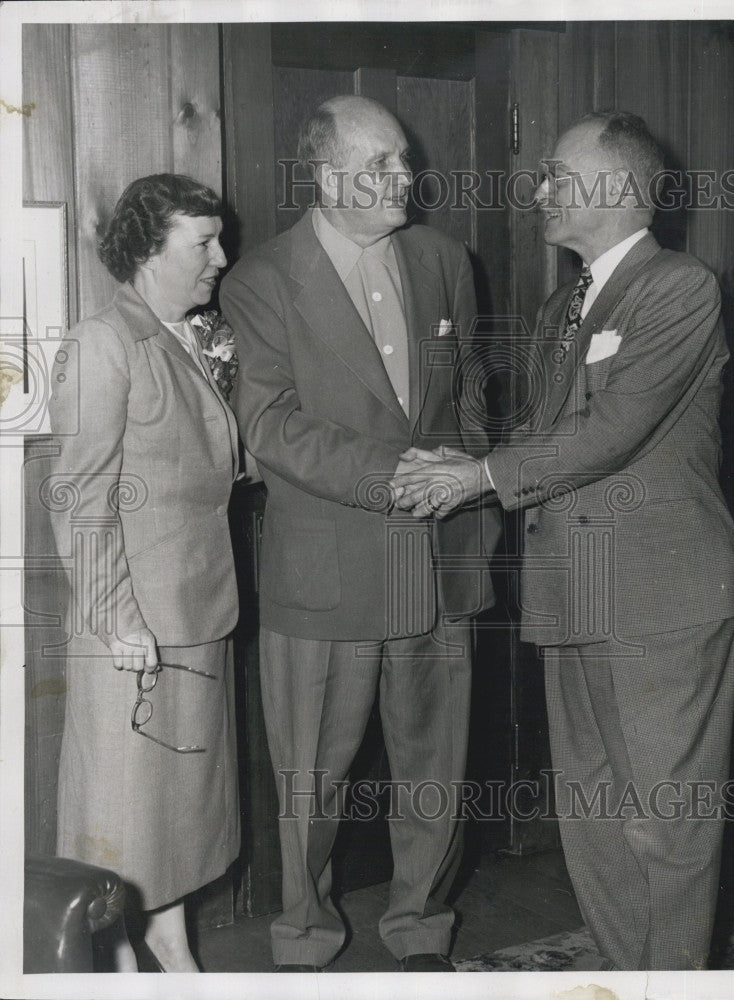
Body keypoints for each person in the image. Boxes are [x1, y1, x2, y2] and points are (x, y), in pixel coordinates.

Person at [392, 111, 734, 971]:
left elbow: (610, 430)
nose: (538, 189)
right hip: (568, 589)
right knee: (590, 814)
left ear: (619, 190)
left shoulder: (678, 287)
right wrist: (466, 458)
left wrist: (478, 479)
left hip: (658, 596)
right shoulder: (563, 304)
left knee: (663, 821)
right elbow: (547, 436)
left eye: (556, 174)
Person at [220, 95, 499, 973]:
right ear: (327, 176)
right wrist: (396, 477)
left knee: (436, 771)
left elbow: (470, 396)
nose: (404, 178)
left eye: (404, 159)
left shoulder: (447, 259)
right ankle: (303, 941)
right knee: (311, 782)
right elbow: (270, 425)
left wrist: (471, 482)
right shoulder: (261, 279)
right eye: (380, 165)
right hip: (326, 574)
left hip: (440, 561)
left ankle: (420, 932)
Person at [47, 174, 240, 972]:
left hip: (193, 612)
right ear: (148, 251)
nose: (221, 258)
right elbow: (80, 494)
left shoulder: (182, 333)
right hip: (135, 627)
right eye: (203, 243)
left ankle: (164, 936)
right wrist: (117, 616)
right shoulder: (104, 341)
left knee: (177, 813)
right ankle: (121, 956)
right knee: (125, 816)